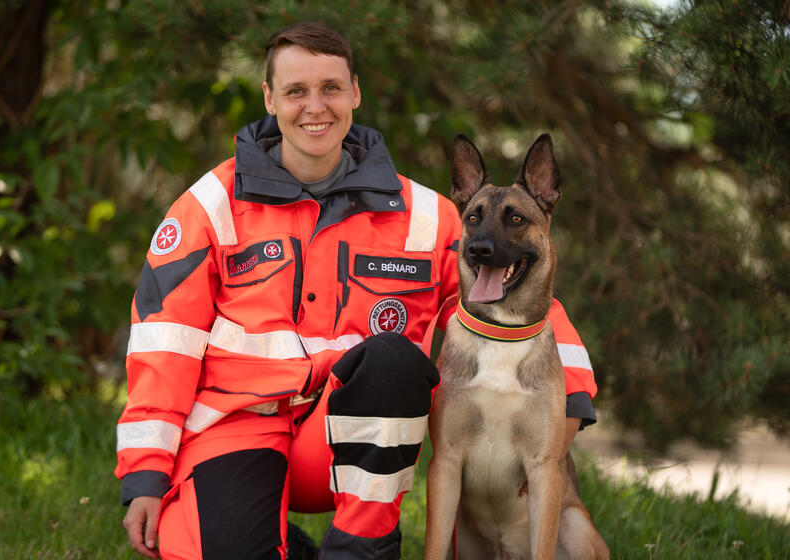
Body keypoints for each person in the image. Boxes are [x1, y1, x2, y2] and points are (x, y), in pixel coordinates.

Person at [115, 21, 598, 560]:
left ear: (355, 94)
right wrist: (146, 477)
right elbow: (164, 345)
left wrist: (567, 400)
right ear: (270, 99)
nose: (314, 106)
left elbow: (520, 302)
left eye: (331, 88)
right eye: (296, 91)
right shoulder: (210, 205)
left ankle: (362, 552)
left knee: (394, 362)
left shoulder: (426, 217)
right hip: (236, 430)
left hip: (351, 441)